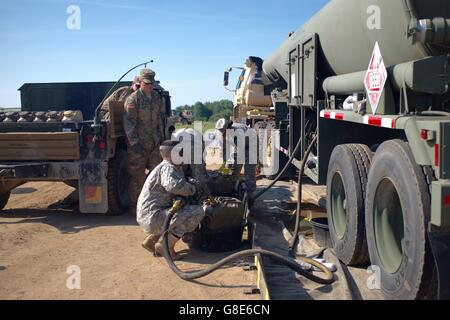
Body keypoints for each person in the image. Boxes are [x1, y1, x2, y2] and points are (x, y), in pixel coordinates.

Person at [137, 140, 206, 260]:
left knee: (179, 208)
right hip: (153, 217)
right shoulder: (168, 168)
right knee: (197, 212)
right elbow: (173, 185)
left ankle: (152, 240)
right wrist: (193, 189)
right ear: (170, 154)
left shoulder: (166, 166)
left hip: (150, 214)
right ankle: (165, 246)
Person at [124, 68, 165, 212]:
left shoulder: (156, 97)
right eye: (147, 83)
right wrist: (135, 143)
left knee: (156, 176)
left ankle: (153, 206)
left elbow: (160, 120)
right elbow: (129, 124)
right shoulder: (133, 99)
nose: (150, 86)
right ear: (140, 82)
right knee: (137, 178)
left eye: (151, 83)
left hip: (154, 144)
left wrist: (162, 139)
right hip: (139, 146)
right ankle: (137, 209)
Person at [215, 118, 257, 193]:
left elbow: (237, 154)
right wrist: (225, 165)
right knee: (233, 168)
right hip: (240, 144)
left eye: (224, 132)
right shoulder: (221, 133)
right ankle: (233, 185)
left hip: (251, 143)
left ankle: (250, 192)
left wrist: (229, 166)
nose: (222, 134)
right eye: (221, 133)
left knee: (249, 168)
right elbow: (224, 150)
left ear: (228, 129)